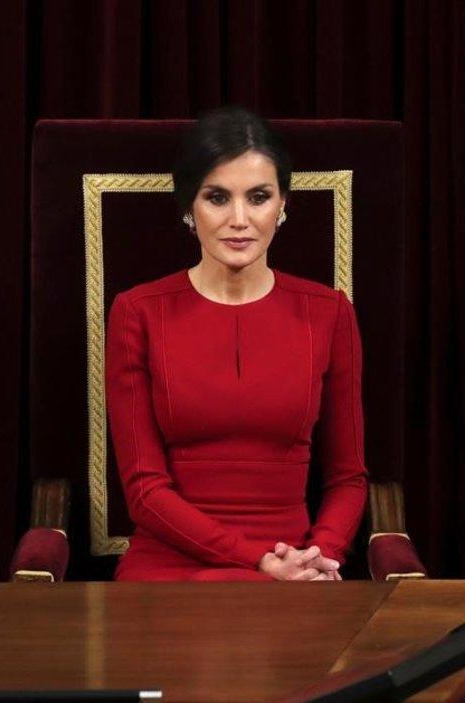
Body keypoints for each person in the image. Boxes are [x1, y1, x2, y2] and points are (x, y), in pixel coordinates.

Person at [106, 106, 367, 582]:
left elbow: (348, 478)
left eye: (259, 197)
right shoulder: (137, 312)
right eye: (218, 197)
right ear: (189, 206)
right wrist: (260, 562)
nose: (240, 219)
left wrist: (318, 559)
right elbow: (144, 491)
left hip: (295, 569)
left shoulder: (330, 312)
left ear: (283, 205)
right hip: (171, 569)